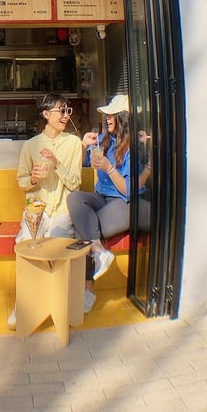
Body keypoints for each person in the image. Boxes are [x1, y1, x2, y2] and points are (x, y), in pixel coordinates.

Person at [7, 93, 85, 329]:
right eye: (60, 111)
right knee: (26, 249)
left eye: (67, 111)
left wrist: (56, 163)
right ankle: (25, 306)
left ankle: (61, 306)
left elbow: (75, 183)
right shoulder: (30, 145)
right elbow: (21, 182)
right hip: (36, 210)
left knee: (60, 254)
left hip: (62, 209)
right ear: (46, 114)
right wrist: (33, 178)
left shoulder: (73, 143)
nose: (65, 115)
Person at [67, 94, 151, 303]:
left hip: (124, 202)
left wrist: (108, 167)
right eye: (107, 115)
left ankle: (88, 289)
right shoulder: (106, 141)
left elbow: (128, 190)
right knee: (75, 198)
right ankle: (98, 250)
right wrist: (84, 146)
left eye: (111, 115)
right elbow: (85, 164)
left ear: (123, 118)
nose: (107, 118)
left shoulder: (133, 147)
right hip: (102, 197)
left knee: (81, 230)